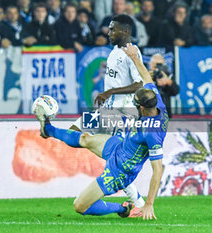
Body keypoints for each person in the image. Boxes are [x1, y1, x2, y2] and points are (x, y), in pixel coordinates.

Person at [35, 43, 167, 220]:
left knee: (79, 205)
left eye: (136, 105)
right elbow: (146, 78)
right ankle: (48, 129)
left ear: (142, 108)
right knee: (84, 138)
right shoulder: (155, 99)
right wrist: (135, 57)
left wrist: (150, 204)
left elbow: (157, 170)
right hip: (119, 147)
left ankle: (121, 209)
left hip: (119, 172)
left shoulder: (153, 134)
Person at [70, 14, 145, 217]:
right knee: (74, 130)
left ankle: (137, 203)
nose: (109, 32)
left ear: (126, 31)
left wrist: (110, 92)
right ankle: (135, 202)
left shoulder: (132, 52)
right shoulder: (114, 51)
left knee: (114, 161)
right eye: (109, 29)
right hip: (106, 111)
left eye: (113, 29)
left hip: (122, 113)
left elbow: (140, 84)